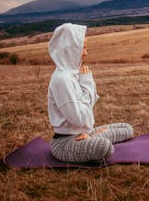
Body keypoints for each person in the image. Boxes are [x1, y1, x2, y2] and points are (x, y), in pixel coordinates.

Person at [47, 23, 133, 163]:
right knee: (104, 148)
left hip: (84, 133)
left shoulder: (73, 73)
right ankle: (94, 139)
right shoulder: (61, 80)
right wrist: (87, 83)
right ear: (70, 49)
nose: (86, 53)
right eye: (83, 48)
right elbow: (80, 119)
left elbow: (90, 103)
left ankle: (93, 138)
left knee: (127, 128)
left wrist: (90, 133)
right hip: (66, 142)